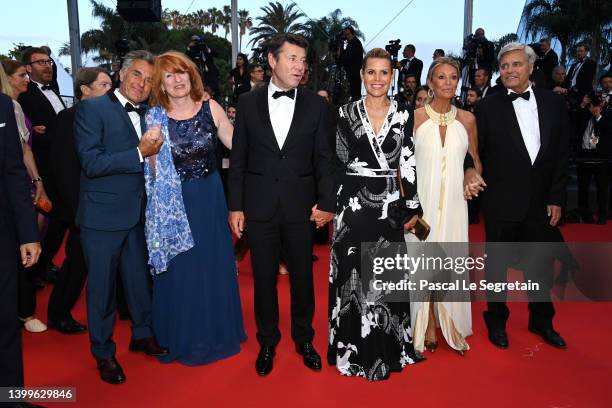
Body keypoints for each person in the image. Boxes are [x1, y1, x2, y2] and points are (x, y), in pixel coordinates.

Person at [228, 33, 336, 376]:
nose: (299, 67)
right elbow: (239, 158)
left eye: (303, 61)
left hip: (301, 207)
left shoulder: (317, 105)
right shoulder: (247, 103)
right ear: (272, 61)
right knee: (263, 278)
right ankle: (267, 341)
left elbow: (325, 159)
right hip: (259, 207)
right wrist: (236, 206)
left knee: (303, 277)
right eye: (292, 59)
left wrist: (326, 202)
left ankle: (304, 339)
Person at [328, 47, 424, 381]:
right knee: (353, 279)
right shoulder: (345, 112)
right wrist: (330, 205)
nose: (378, 79)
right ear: (362, 75)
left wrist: (412, 204)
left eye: (384, 73)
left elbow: (408, 161)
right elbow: (337, 161)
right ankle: (352, 349)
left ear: (392, 76)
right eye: (372, 72)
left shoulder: (403, 113)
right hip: (352, 208)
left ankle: (387, 349)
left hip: (388, 207)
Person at [144, 51, 246, 365]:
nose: (176, 81)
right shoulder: (154, 116)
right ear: (161, 83)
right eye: (169, 76)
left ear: (191, 74)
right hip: (175, 202)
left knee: (212, 263)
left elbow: (236, 144)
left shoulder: (210, 107)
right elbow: (152, 171)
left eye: (181, 73)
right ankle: (185, 334)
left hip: (209, 197)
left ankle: (216, 330)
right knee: (182, 269)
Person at [74, 50, 168, 384]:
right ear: (121, 74)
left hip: (140, 213)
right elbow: (92, 163)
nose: (142, 84)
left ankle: (142, 333)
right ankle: (103, 352)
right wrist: (139, 153)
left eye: (148, 79)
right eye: (137, 75)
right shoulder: (92, 108)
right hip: (101, 216)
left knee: (138, 281)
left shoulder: (152, 114)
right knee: (102, 289)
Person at [475, 42, 569, 350]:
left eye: (516, 65)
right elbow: (474, 152)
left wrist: (556, 197)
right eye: (504, 67)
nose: (510, 71)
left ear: (530, 68)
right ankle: (497, 321)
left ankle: (542, 320)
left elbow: (560, 155)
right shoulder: (488, 106)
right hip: (501, 202)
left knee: (540, 265)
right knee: (497, 267)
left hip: (541, 202)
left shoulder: (553, 104)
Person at [407, 57, 484, 356]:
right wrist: (407, 206)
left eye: (453, 77)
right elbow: (403, 166)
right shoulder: (414, 118)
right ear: (430, 82)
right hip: (421, 203)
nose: (449, 82)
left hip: (454, 202)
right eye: (442, 77)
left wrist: (471, 175)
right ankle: (425, 324)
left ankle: (446, 318)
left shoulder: (467, 119)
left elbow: (475, 159)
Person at [46, 68, 113, 335]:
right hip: (79, 205)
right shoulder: (68, 117)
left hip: (99, 202)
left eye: (111, 83)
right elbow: (63, 168)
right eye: (104, 84)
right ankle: (58, 313)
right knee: (78, 261)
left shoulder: (106, 117)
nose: (110, 88)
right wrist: (78, 210)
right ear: (85, 89)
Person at [1, 60, 48, 333]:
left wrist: (37, 181)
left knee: (25, 251)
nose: (26, 79)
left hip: (19, 187)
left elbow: (22, 152)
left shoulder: (12, 106)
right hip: (19, 186)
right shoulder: (11, 105)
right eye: (21, 75)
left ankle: (24, 312)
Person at [0, 92, 41, 398]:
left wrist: (28, 233)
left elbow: (14, 171)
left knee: (5, 321)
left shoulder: (3, 105)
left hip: (3, 232)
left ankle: (11, 398)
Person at [18, 47, 67, 283]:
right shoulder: (25, 95)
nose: (47, 66)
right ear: (28, 68)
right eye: (39, 62)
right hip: (42, 167)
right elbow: (25, 136)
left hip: (62, 163)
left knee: (60, 219)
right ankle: (35, 268)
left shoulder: (54, 89)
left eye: (48, 61)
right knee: (49, 218)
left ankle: (43, 264)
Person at [575, 93, 612, 224]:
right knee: (583, 187)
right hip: (584, 156)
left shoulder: (608, 115)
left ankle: (602, 214)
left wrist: (598, 116)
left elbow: (608, 130)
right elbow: (575, 120)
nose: (594, 107)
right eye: (592, 104)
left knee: (602, 188)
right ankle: (585, 214)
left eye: (596, 104)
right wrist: (584, 105)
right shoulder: (584, 113)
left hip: (601, 157)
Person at [338, 26, 364, 101]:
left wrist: (340, 49)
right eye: (345, 34)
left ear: (352, 34)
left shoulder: (355, 43)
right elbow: (342, 57)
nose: (346, 36)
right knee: (354, 93)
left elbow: (345, 57)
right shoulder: (351, 43)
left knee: (355, 93)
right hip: (353, 73)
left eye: (348, 34)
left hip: (355, 73)